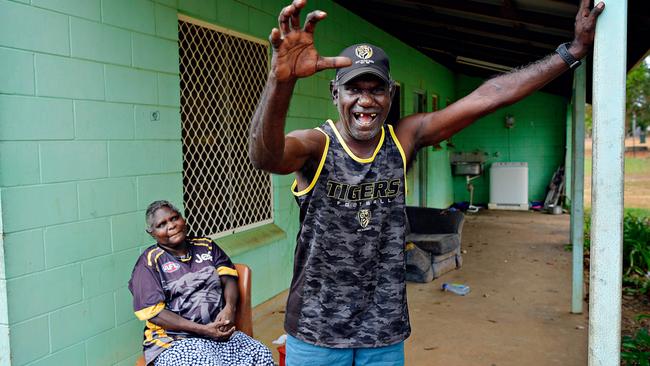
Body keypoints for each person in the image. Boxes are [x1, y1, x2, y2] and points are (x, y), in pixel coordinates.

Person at [249, 0, 604, 364]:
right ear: (335, 94)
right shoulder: (318, 144)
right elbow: (266, 157)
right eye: (354, 89)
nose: (365, 101)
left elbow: (489, 96)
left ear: (390, 96)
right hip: (316, 328)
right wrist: (281, 81)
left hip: (382, 328)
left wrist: (571, 52)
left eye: (377, 89)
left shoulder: (403, 138)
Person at [128, 200, 274, 366]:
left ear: (183, 219)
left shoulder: (206, 246)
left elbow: (229, 278)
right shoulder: (149, 263)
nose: (172, 225)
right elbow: (155, 313)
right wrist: (203, 330)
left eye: (174, 218)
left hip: (219, 333)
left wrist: (229, 308)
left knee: (260, 354)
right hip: (174, 342)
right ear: (152, 233)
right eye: (162, 224)